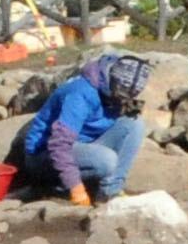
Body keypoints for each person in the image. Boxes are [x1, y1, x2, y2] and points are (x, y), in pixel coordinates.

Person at [19, 51, 148, 204]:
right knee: (107, 160)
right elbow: (58, 145)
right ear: (111, 81)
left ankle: (110, 193)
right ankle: (55, 187)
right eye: (119, 96)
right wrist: (76, 188)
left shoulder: (111, 90)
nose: (121, 100)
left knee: (134, 124)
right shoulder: (80, 94)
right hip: (44, 156)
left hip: (84, 146)